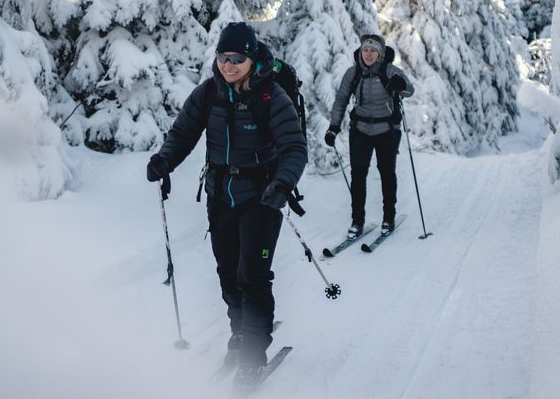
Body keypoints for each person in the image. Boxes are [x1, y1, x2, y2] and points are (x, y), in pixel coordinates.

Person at [146, 22, 307, 388]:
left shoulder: (271, 97)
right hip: (221, 193)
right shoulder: (209, 93)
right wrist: (164, 160)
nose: (229, 65)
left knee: (252, 277)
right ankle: (239, 330)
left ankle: (254, 353)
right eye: (223, 57)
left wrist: (282, 184)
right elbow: (183, 133)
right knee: (228, 272)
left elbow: (294, 147)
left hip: (263, 197)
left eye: (237, 58)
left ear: (251, 59)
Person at [325, 34, 414, 238]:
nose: (369, 54)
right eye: (366, 49)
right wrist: (333, 128)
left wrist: (400, 85)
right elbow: (341, 101)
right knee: (358, 175)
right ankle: (357, 221)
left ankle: (388, 218)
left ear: (380, 53)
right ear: (361, 51)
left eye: (373, 50)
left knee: (387, 174)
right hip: (360, 130)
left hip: (387, 130)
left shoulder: (390, 71)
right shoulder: (353, 73)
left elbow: (410, 91)